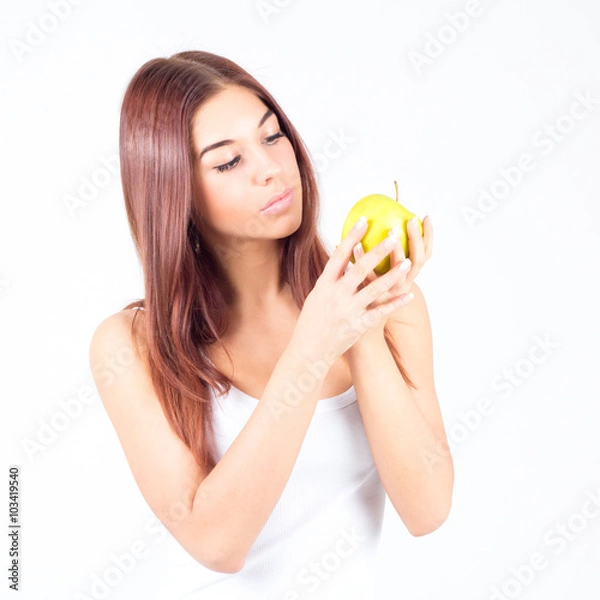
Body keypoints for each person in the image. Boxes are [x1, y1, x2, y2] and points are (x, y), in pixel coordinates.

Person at [88, 50, 453, 599]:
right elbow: (216, 544)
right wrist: (312, 347)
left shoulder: (395, 308)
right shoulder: (132, 344)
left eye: (272, 135)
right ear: (176, 194)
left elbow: (427, 509)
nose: (272, 168)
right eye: (228, 162)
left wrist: (365, 321)